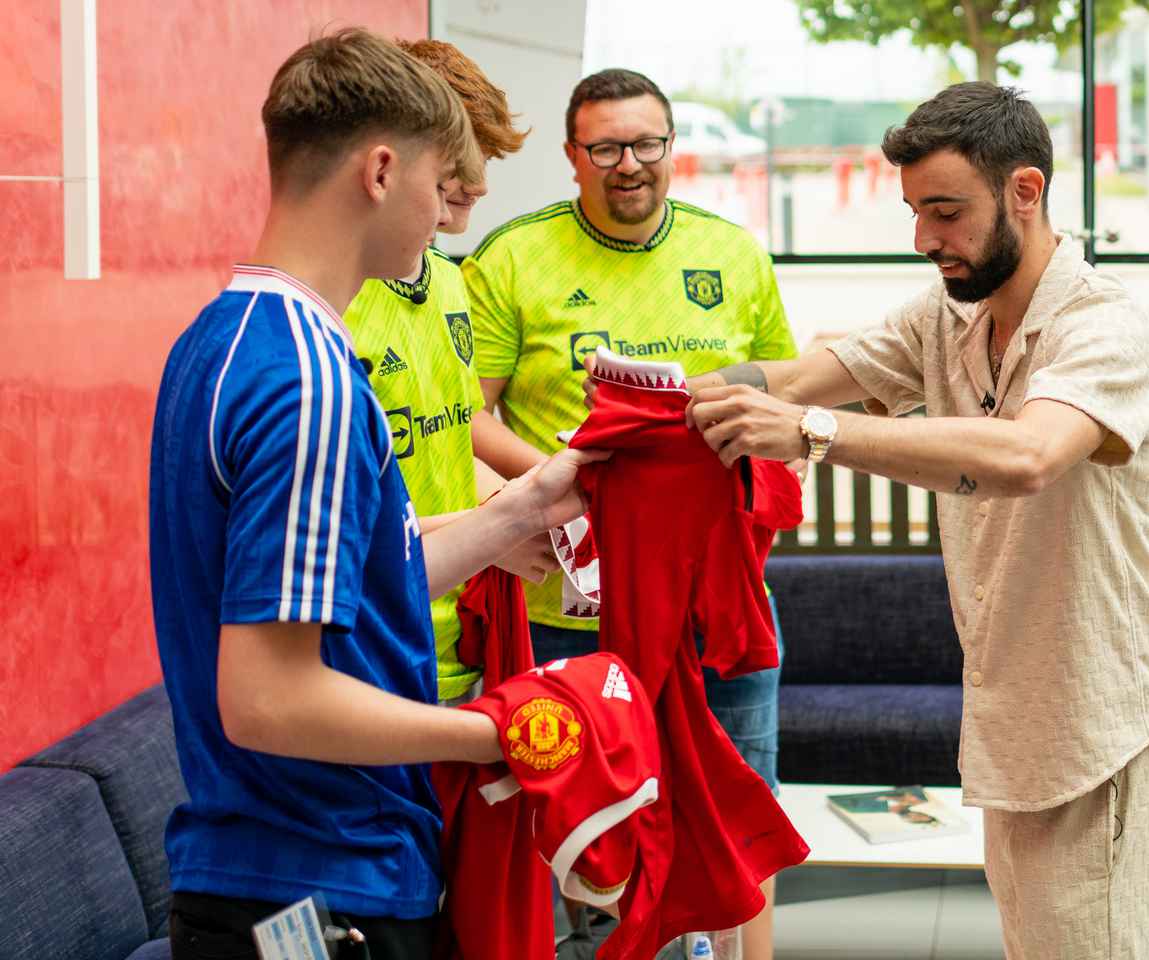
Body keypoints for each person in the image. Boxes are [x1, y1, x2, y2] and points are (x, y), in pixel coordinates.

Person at [682, 82, 1149, 959]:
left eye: (946, 211)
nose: (925, 238)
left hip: (1107, 733)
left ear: (1025, 192)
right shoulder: (947, 316)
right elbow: (808, 374)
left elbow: (1028, 457)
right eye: (915, 211)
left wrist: (811, 436)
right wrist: (677, 394)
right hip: (1015, 724)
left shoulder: (1108, 328)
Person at [149, 30, 600, 959]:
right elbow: (267, 699)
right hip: (321, 883)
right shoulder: (308, 378)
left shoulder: (223, 339)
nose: (445, 218)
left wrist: (513, 513)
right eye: (444, 186)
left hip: (274, 871)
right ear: (383, 170)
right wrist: (504, 733)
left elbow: (349, 580)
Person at [464, 68, 797, 959]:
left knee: (739, 807)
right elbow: (470, 414)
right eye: (604, 147)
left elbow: (782, 407)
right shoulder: (512, 258)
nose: (628, 165)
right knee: (580, 822)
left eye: (645, 143)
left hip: (714, 595)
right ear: (572, 157)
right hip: (569, 604)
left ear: (671, 146)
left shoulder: (733, 254)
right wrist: (568, 495)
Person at [343, 38, 551, 706]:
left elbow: (454, 429)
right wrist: (500, 524)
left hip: (460, 625)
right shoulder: (334, 300)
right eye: (466, 158)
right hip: (371, 635)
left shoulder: (449, 279)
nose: (483, 182)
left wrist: (538, 491)